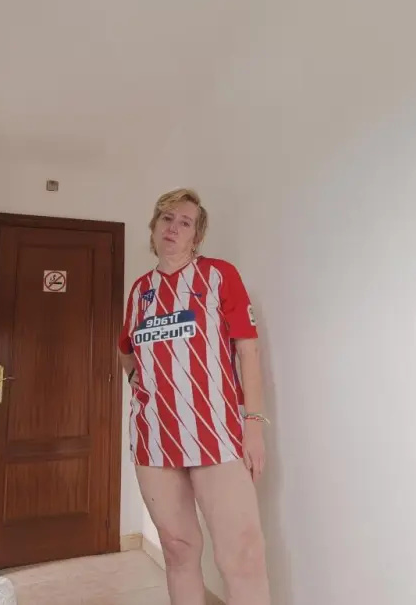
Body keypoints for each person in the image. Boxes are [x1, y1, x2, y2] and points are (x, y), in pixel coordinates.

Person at [118, 188, 271, 605]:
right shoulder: (140, 292)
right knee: (178, 549)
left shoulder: (219, 276)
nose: (173, 227)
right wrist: (138, 381)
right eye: (166, 218)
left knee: (242, 553)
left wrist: (254, 424)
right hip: (154, 438)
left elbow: (247, 350)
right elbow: (126, 352)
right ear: (154, 227)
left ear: (196, 236)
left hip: (217, 433)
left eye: (184, 222)